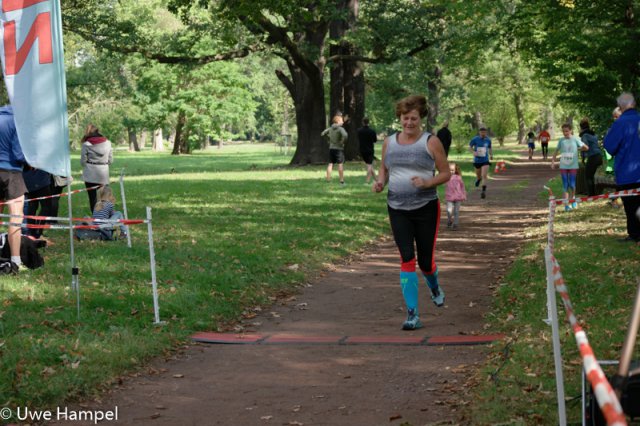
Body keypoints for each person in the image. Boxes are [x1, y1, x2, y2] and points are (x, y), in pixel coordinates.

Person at [373, 94, 450, 330]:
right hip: (397, 208)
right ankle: (412, 314)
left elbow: (446, 173)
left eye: (413, 118)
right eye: (405, 118)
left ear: (421, 119)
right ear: (400, 118)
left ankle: (434, 285)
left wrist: (427, 183)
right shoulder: (389, 142)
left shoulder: (431, 142)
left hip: (426, 208)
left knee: (426, 262)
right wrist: (380, 183)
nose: (409, 123)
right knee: (407, 258)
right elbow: (384, 169)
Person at [603, 92, 640, 242]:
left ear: (621, 107)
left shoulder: (620, 123)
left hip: (627, 173)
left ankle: (635, 234)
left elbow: (610, 146)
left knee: (631, 207)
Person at [0, 105, 27, 270]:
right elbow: (18, 154)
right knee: (16, 215)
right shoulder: (17, 121)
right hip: (11, 172)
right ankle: (15, 260)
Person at [551, 123, 588, 211]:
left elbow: (586, 148)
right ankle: (566, 205)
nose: (565, 133)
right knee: (565, 184)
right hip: (563, 165)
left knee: (572, 183)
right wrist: (553, 161)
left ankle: (573, 199)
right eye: (563, 131)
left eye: (567, 131)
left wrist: (578, 149)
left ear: (571, 130)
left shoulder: (575, 139)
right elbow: (556, 151)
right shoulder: (561, 140)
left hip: (573, 165)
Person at [81, 124, 112, 213]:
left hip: (90, 173)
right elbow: (111, 160)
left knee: (92, 198)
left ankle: (95, 217)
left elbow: (83, 161)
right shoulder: (108, 143)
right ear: (98, 131)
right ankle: (105, 216)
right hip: (103, 173)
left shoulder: (86, 144)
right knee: (104, 196)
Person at [22, 167, 53, 238]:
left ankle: (32, 232)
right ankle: (37, 231)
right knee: (46, 207)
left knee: (32, 207)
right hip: (39, 179)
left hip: (27, 179)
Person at [579, 118, 603, 197]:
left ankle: (591, 195)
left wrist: (577, 148)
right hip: (599, 156)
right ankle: (593, 193)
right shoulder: (593, 134)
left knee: (588, 176)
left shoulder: (584, 135)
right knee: (592, 175)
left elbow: (586, 147)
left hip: (593, 157)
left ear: (581, 127)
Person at [321, 115, 348, 185]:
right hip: (339, 149)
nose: (343, 122)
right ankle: (341, 181)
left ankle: (328, 179)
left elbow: (323, 133)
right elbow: (345, 135)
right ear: (338, 121)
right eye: (342, 120)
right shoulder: (340, 129)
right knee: (340, 164)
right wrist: (342, 141)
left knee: (330, 164)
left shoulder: (330, 128)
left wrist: (328, 140)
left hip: (331, 148)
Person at [469, 127, 492, 199]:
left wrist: (491, 155)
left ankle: (483, 191)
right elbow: (469, 147)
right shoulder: (475, 139)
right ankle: (478, 179)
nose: (483, 134)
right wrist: (473, 152)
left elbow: (490, 148)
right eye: (482, 132)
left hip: (485, 160)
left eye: (484, 132)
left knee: (484, 175)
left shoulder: (488, 140)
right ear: (479, 132)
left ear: (486, 132)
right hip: (477, 160)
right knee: (479, 176)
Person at [445, 162, 466, 230]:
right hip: (449, 197)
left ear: (455, 170)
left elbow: (462, 187)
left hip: (458, 197)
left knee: (456, 211)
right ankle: (449, 221)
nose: (451, 172)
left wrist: (463, 195)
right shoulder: (446, 178)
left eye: (452, 170)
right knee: (449, 211)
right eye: (450, 170)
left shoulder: (459, 177)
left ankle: (455, 224)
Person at [357, 117, 377, 184]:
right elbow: (375, 140)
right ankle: (367, 181)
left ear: (362, 122)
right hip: (370, 150)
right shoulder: (372, 131)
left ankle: (376, 180)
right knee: (369, 165)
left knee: (369, 165)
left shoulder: (359, 131)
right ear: (368, 122)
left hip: (362, 150)